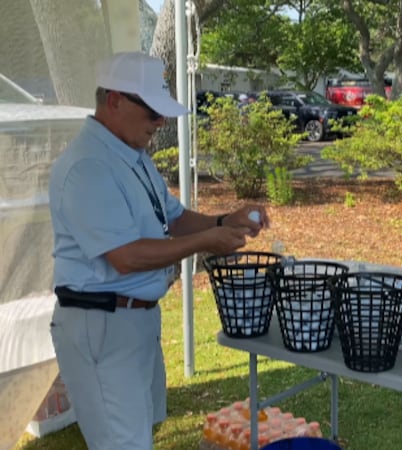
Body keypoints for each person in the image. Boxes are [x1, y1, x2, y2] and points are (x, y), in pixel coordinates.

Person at [48, 51, 268, 450]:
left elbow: (173, 217)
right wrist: (207, 242)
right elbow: (125, 256)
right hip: (101, 323)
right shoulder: (88, 167)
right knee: (122, 443)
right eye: (152, 111)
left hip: (133, 319)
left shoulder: (131, 157)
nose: (160, 122)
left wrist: (223, 221)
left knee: (137, 434)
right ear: (114, 100)